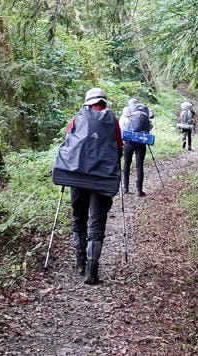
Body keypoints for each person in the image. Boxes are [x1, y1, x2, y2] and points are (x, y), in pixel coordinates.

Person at [52, 87, 122, 285]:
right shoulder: (112, 121)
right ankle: (92, 270)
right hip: (102, 180)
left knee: (79, 217)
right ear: (103, 102)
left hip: (77, 176)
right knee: (97, 222)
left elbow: (68, 145)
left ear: (87, 102)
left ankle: (80, 261)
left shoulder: (77, 119)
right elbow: (119, 148)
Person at [122, 98, 152, 196]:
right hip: (141, 141)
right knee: (139, 166)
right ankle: (139, 191)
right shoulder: (144, 112)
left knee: (127, 164)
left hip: (129, 142)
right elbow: (150, 126)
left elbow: (121, 126)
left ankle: (125, 188)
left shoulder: (127, 112)